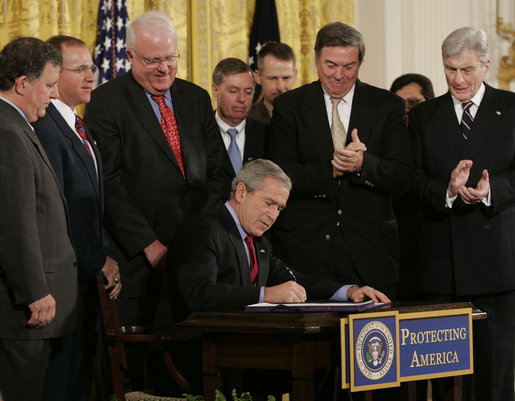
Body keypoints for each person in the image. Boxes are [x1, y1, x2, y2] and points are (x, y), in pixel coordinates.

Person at [84, 10, 227, 331]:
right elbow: (108, 181)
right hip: (139, 259)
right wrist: (149, 245)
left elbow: (217, 172)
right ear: (130, 56)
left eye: (170, 58)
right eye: (152, 60)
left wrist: (200, 237)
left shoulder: (196, 98)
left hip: (198, 256)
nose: (164, 68)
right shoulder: (106, 102)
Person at [267, 22, 412, 300]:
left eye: (349, 66)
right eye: (330, 65)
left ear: (360, 63)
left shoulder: (387, 105)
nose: (338, 76)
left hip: (370, 254)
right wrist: (331, 170)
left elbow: (404, 176)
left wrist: (363, 164)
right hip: (305, 253)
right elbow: (280, 175)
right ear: (316, 60)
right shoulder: (289, 106)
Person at [411, 26, 515, 401]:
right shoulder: (425, 116)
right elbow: (413, 181)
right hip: (442, 270)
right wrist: (448, 190)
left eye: (467, 70)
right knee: (447, 382)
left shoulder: (512, 109)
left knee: (495, 378)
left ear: (486, 66)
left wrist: (493, 190)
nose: (458, 79)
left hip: (497, 269)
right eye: (450, 69)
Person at [174, 159, 390, 313]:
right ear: (241, 192)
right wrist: (265, 295)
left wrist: (349, 291)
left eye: (279, 208)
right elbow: (199, 294)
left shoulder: (257, 240)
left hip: (238, 348)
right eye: (269, 203)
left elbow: (293, 279)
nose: (273, 215)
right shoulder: (204, 229)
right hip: (195, 349)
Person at [32, 35, 121, 401]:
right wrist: (98, 260)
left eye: (92, 67)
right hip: (66, 283)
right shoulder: (44, 126)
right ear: (53, 73)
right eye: (80, 69)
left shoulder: (78, 126)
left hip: (86, 281)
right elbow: (59, 211)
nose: (91, 76)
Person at [0, 37, 78, 401]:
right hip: (23, 311)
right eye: (48, 86)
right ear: (22, 84)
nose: (52, 95)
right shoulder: (6, 132)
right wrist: (34, 290)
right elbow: (14, 222)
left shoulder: (16, 126)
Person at [212, 58, 268, 198]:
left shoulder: (267, 135)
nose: (242, 99)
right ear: (215, 91)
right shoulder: (198, 133)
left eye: (248, 92)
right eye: (233, 91)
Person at [249, 42, 297, 124]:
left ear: (295, 76)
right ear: (258, 77)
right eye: (273, 78)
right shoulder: (245, 120)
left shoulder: (311, 115)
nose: (280, 87)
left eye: (286, 78)